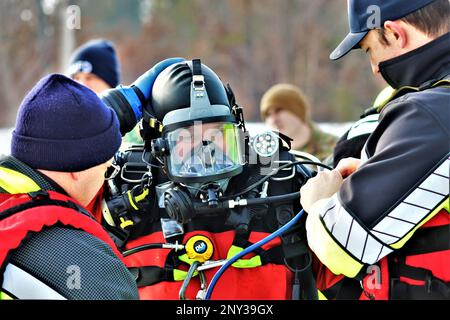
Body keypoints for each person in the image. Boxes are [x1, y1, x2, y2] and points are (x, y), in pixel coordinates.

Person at [104, 59, 318, 300]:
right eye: (187, 137)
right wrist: (112, 111)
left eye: (217, 134)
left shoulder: (281, 183)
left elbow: (354, 281)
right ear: (159, 146)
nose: (206, 152)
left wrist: (326, 205)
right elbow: (59, 165)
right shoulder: (127, 193)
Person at [300, 0, 449, 300]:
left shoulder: (431, 113)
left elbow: (343, 242)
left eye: (369, 50)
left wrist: (317, 202)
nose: (374, 68)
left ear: (394, 34)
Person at [0, 57, 182, 299]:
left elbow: (68, 135)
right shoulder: (89, 270)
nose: (109, 171)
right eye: (106, 165)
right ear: (75, 168)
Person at [68, 39, 142, 146]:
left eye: (90, 78)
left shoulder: (133, 129)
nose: (82, 84)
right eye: (76, 78)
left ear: (109, 83)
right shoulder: (64, 124)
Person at [260, 84, 337, 161]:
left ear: (298, 112)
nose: (273, 120)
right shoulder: (267, 155)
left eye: (278, 110)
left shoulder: (336, 149)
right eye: (268, 114)